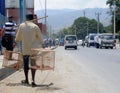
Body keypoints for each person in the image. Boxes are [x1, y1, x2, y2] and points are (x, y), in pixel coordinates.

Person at [15, 14, 44, 87]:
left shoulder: (21, 26)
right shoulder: (35, 27)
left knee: (25, 65)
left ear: (26, 18)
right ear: (33, 19)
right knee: (33, 65)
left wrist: (15, 42)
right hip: (33, 50)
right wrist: (43, 45)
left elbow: (18, 38)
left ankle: (26, 80)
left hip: (25, 49)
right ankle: (33, 80)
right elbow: (40, 39)